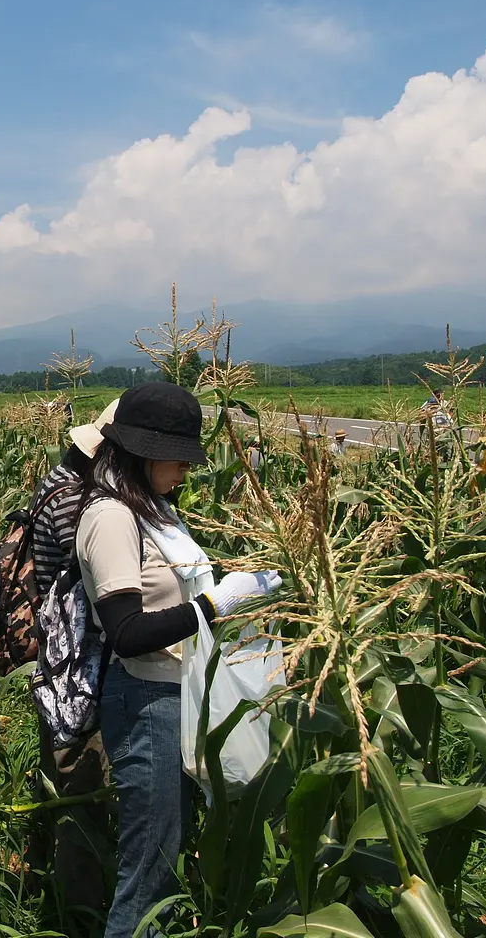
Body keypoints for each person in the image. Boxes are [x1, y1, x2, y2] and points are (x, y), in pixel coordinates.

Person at [76, 384, 281, 938]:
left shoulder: (155, 509)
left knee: (167, 858)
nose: (188, 472)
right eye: (179, 459)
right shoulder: (111, 518)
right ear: (143, 452)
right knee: (149, 872)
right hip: (146, 703)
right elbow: (127, 632)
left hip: (179, 695)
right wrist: (215, 605)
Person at [25, 398, 117, 924]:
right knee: (79, 778)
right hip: (75, 659)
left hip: (54, 652)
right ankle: (79, 912)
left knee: (56, 765)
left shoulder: (52, 486)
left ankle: (48, 862)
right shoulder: (79, 505)